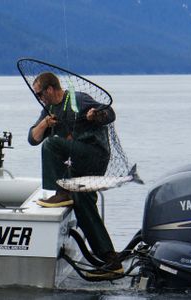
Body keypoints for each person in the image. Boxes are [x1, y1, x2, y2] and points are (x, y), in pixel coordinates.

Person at [27, 72, 121, 278]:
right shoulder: (49, 109)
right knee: (83, 200)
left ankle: (61, 192)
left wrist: (95, 115)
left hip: (94, 154)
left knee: (51, 144)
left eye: (40, 94)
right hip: (76, 162)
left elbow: (110, 113)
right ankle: (110, 260)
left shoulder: (77, 99)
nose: (39, 98)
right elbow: (32, 139)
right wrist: (44, 124)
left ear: (50, 89)